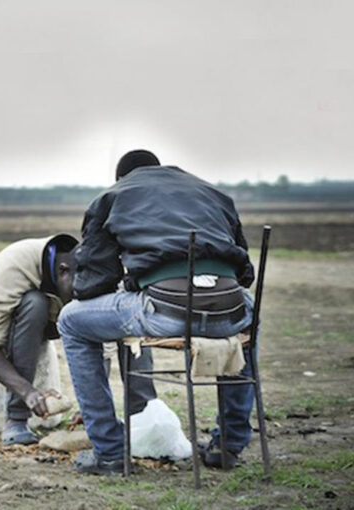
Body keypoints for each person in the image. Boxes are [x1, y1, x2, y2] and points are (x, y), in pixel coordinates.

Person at [58, 149, 257, 474]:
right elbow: (245, 274)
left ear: (122, 177)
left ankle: (109, 452)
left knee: (71, 322)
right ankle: (229, 444)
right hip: (230, 309)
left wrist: (131, 279)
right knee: (252, 318)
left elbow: (94, 282)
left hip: (167, 308)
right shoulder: (213, 193)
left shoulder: (112, 197)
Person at [0, 234, 157, 445]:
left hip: (56, 315)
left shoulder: (101, 271)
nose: (82, 299)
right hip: (12, 322)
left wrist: (93, 408)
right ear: (64, 271)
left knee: (128, 318)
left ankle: (142, 416)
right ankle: (16, 418)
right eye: (78, 293)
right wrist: (27, 392)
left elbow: (105, 346)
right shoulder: (13, 265)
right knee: (34, 304)